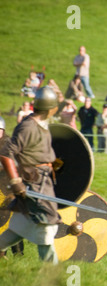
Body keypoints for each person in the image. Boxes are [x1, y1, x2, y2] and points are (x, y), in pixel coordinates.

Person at [0, 86, 62, 264]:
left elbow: (36, 153)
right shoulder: (28, 127)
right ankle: (51, 272)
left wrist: (53, 164)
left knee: (22, 224)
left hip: (42, 181)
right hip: (35, 185)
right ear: (51, 108)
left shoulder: (42, 124)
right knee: (47, 222)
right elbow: (6, 154)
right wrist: (16, 181)